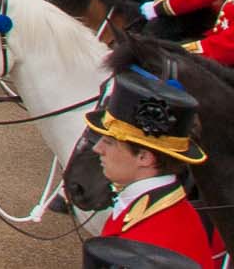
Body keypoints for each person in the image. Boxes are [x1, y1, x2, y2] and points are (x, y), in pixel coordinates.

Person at [82, 66, 221, 265]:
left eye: (110, 142)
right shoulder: (153, 208)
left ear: (145, 158)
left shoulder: (156, 239)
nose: (97, 148)